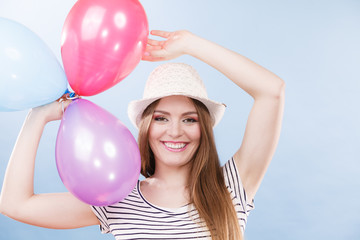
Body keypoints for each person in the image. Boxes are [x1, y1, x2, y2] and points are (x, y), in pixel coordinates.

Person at [0, 30, 285, 239]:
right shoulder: (117, 200)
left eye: (189, 119)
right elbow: (15, 204)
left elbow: (272, 91)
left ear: (204, 129)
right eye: (161, 118)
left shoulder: (232, 187)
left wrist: (190, 44)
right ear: (146, 126)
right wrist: (36, 118)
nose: (175, 131)